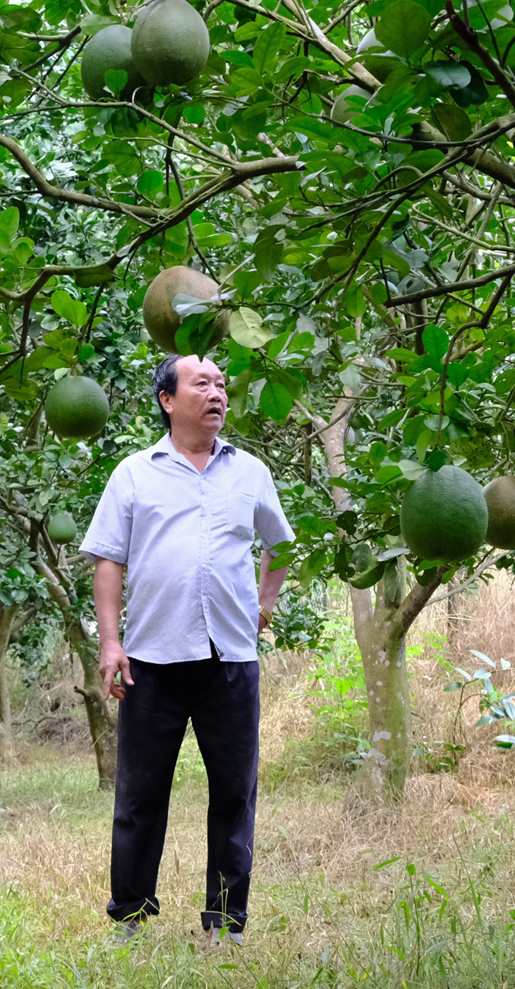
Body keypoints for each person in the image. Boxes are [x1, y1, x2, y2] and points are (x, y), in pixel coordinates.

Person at [78, 353, 294, 947]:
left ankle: (227, 920)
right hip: (152, 658)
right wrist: (111, 642)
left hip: (230, 661)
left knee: (233, 791)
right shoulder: (133, 473)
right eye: (202, 383)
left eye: (221, 384)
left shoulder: (250, 471)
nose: (216, 392)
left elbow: (279, 542)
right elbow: (108, 560)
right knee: (141, 793)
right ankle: (129, 913)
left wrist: (264, 603)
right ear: (168, 400)